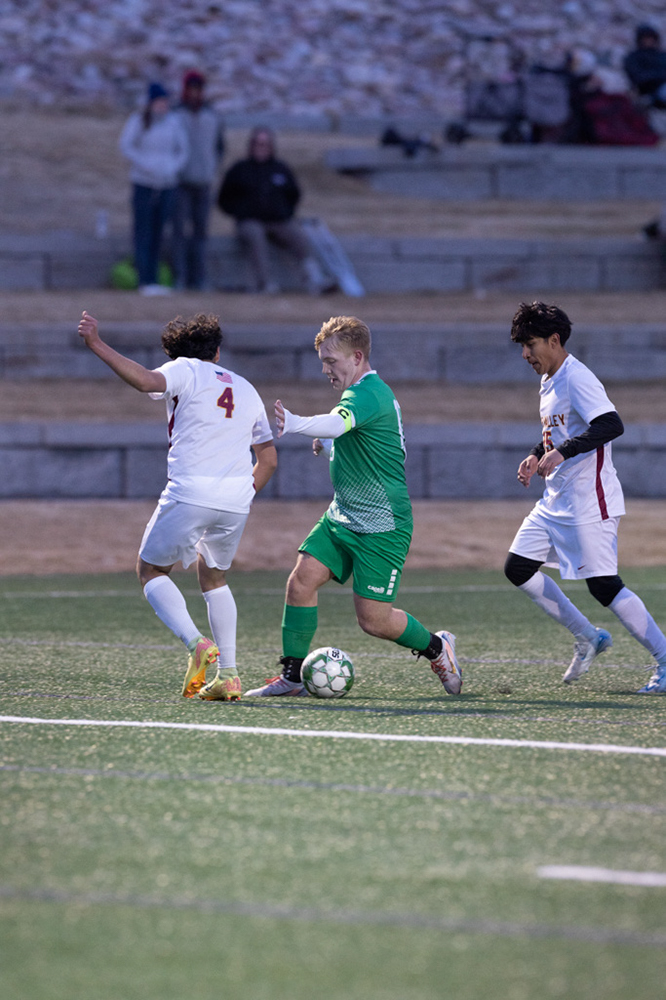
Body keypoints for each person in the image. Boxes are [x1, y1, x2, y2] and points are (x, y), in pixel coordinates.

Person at [245, 315, 462, 698]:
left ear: (357, 357)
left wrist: (295, 423)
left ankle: (437, 647)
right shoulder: (359, 396)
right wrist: (331, 445)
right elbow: (357, 440)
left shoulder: (369, 394)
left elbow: (337, 423)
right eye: (323, 362)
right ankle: (292, 677)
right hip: (343, 516)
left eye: (331, 361)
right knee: (301, 581)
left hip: (382, 525)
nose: (325, 369)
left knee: (374, 620)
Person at [77, 310, 277, 700]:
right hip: (237, 499)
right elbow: (268, 460)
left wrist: (96, 343)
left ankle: (195, 643)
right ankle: (229, 675)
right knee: (214, 578)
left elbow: (145, 381)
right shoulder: (246, 388)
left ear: (175, 354)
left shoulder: (184, 369)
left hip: (191, 492)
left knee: (150, 570)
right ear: (217, 352)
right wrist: (239, 494)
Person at [504, 301, 666, 694]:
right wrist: (538, 454)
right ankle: (588, 636)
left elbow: (611, 424)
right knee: (518, 568)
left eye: (530, 345)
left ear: (554, 340)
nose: (525, 354)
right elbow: (559, 432)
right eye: (522, 346)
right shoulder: (549, 380)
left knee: (604, 585)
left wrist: (562, 452)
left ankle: (665, 659)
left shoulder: (577, 377)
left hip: (589, 502)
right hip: (555, 502)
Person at [217, 127, 332, 294]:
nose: (261, 147)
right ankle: (264, 284)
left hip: (277, 220)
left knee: (298, 236)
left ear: (271, 146)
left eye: (265, 144)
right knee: (256, 237)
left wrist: (285, 212)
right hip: (250, 221)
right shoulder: (240, 170)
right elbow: (224, 198)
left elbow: (294, 194)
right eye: (258, 143)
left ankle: (315, 280)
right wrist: (239, 212)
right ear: (251, 145)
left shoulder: (280, 169)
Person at [119, 82, 189, 295]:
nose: (162, 106)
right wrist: (145, 165)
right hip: (144, 183)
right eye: (159, 102)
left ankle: (154, 278)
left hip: (167, 184)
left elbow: (183, 150)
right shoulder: (138, 121)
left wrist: (172, 168)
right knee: (144, 231)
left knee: (159, 231)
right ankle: (144, 279)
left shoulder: (174, 122)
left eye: (165, 102)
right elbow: (126, 145)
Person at [172, 70, 225, 290]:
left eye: (198, 89)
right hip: (180, 183)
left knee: (201, 233)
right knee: (179, 232)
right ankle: (181, 277)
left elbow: (219, 148)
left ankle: (200, 278)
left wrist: (210, 169)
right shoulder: (175, 115)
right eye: (191, 89)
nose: (194, 93)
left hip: (203, 183)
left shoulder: (212, 117)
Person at [623, 23, 666, 106]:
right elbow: (638, 77)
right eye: (646, 38)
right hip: (649, 92)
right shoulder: (633, 57)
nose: (649, 41)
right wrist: (659, 76)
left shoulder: (662, 55)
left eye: (651, 38)